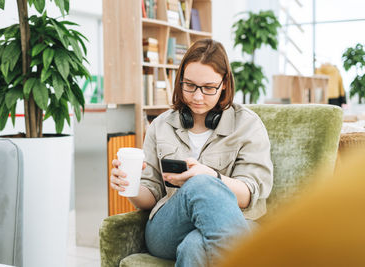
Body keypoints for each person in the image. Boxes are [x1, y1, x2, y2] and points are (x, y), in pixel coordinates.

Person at [110, 38, 273, 266]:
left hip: (238, 220)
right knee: (199, 184)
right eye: (189, 85)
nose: (197, 97)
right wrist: (130, 185)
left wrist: (211, 176)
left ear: (224, 83)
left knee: (194, 245)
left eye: (208, 88)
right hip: (166, 229)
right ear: (180, 81)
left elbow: (248, 195)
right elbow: (151, 196)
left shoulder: (247, 125)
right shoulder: (161, 124)